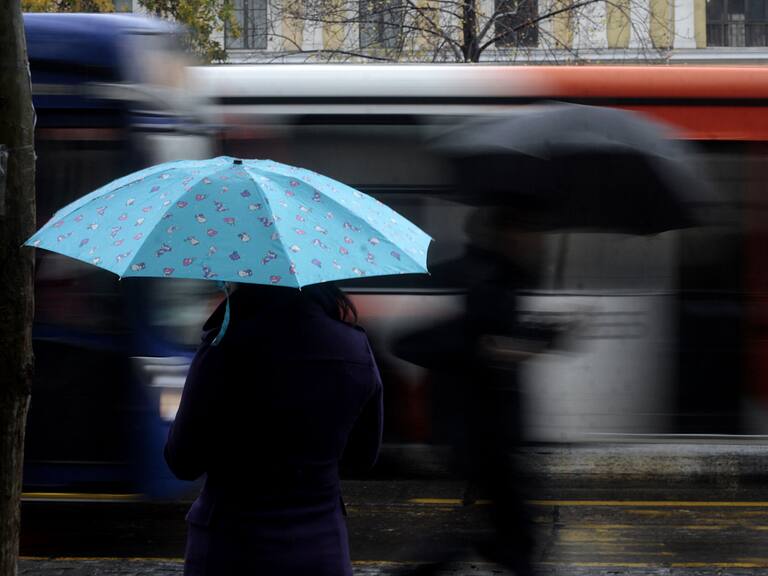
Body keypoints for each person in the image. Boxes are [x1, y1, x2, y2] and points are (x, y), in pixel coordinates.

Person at [164, 282, 383, 576]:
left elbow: (183, 461)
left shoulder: (223, 346)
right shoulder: (355, 348)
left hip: (229, 548)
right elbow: (362, 458)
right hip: (321, 547)